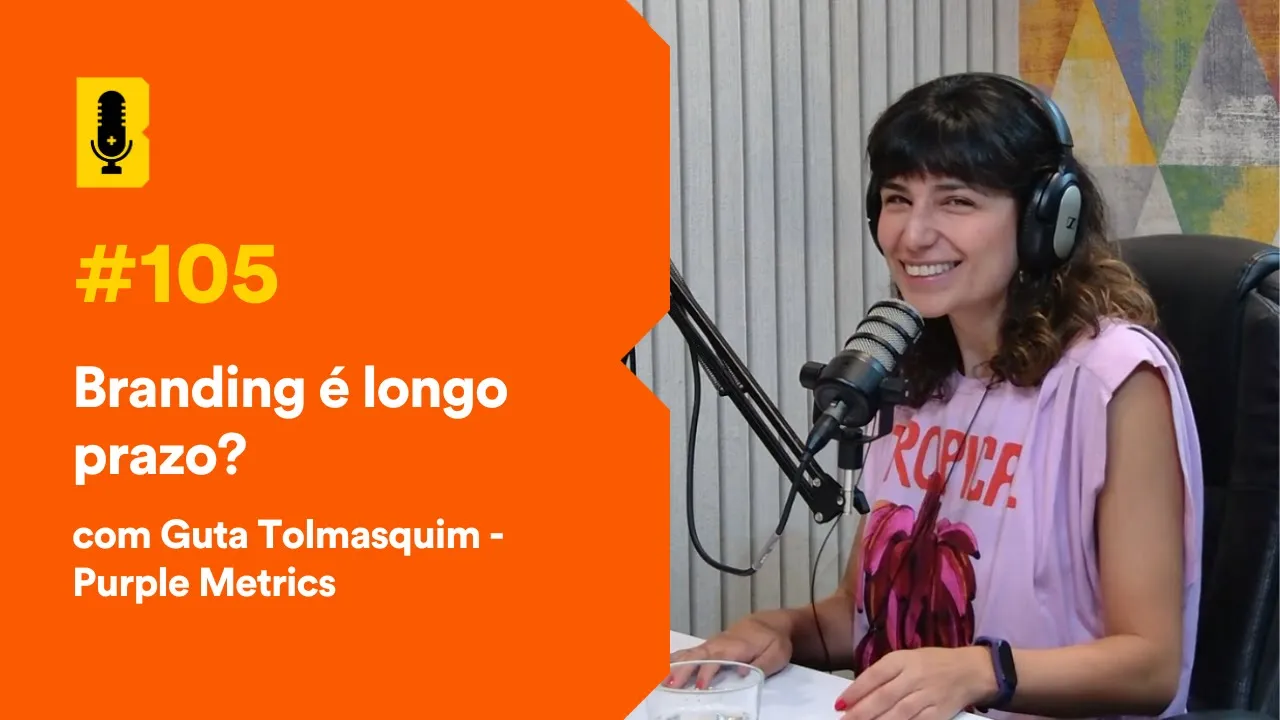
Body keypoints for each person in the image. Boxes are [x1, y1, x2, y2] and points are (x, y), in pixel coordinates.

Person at [666, 72, 1204, 720]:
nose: (913, 235)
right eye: (898, 199)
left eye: (956, 201)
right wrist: (781, 629)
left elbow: (1149, 665)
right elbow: (864, 616)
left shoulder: (1112, 378)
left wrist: (982, 672)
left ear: (1046, 218)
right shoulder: (908, 373)